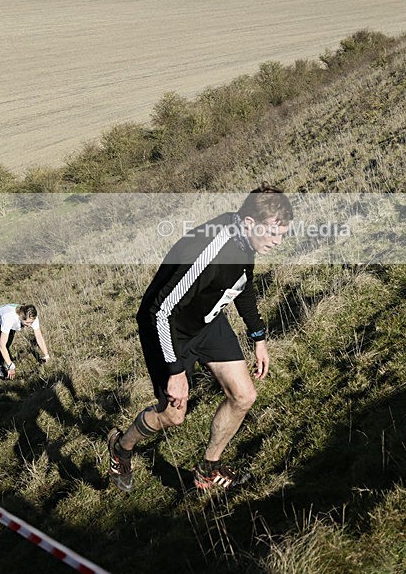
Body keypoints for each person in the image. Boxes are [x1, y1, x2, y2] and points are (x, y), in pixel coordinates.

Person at [108, 185, 293, 493]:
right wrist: (176, 371)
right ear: (249, 223)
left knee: (244, 396)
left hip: (206, 320)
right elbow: (160, 312)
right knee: (173, 415)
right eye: (273, 233)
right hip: (167, 329)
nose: (278, 241)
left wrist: (258, 336)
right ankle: (121, 448)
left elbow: (241, 283)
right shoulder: (211, 250)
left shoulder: (245, 238)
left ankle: (208, 468)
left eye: (283, 234)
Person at [0, 303, 50, 381]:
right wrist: (10, 366)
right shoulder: (9, 317)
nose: (30, 325)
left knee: (6, 345)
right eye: (27, 323)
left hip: (10, 324)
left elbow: (39, 337)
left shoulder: (32, 317)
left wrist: (46, 355)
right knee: (4, 345)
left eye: (31, 323)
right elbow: (2, 346)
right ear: (21, 317)